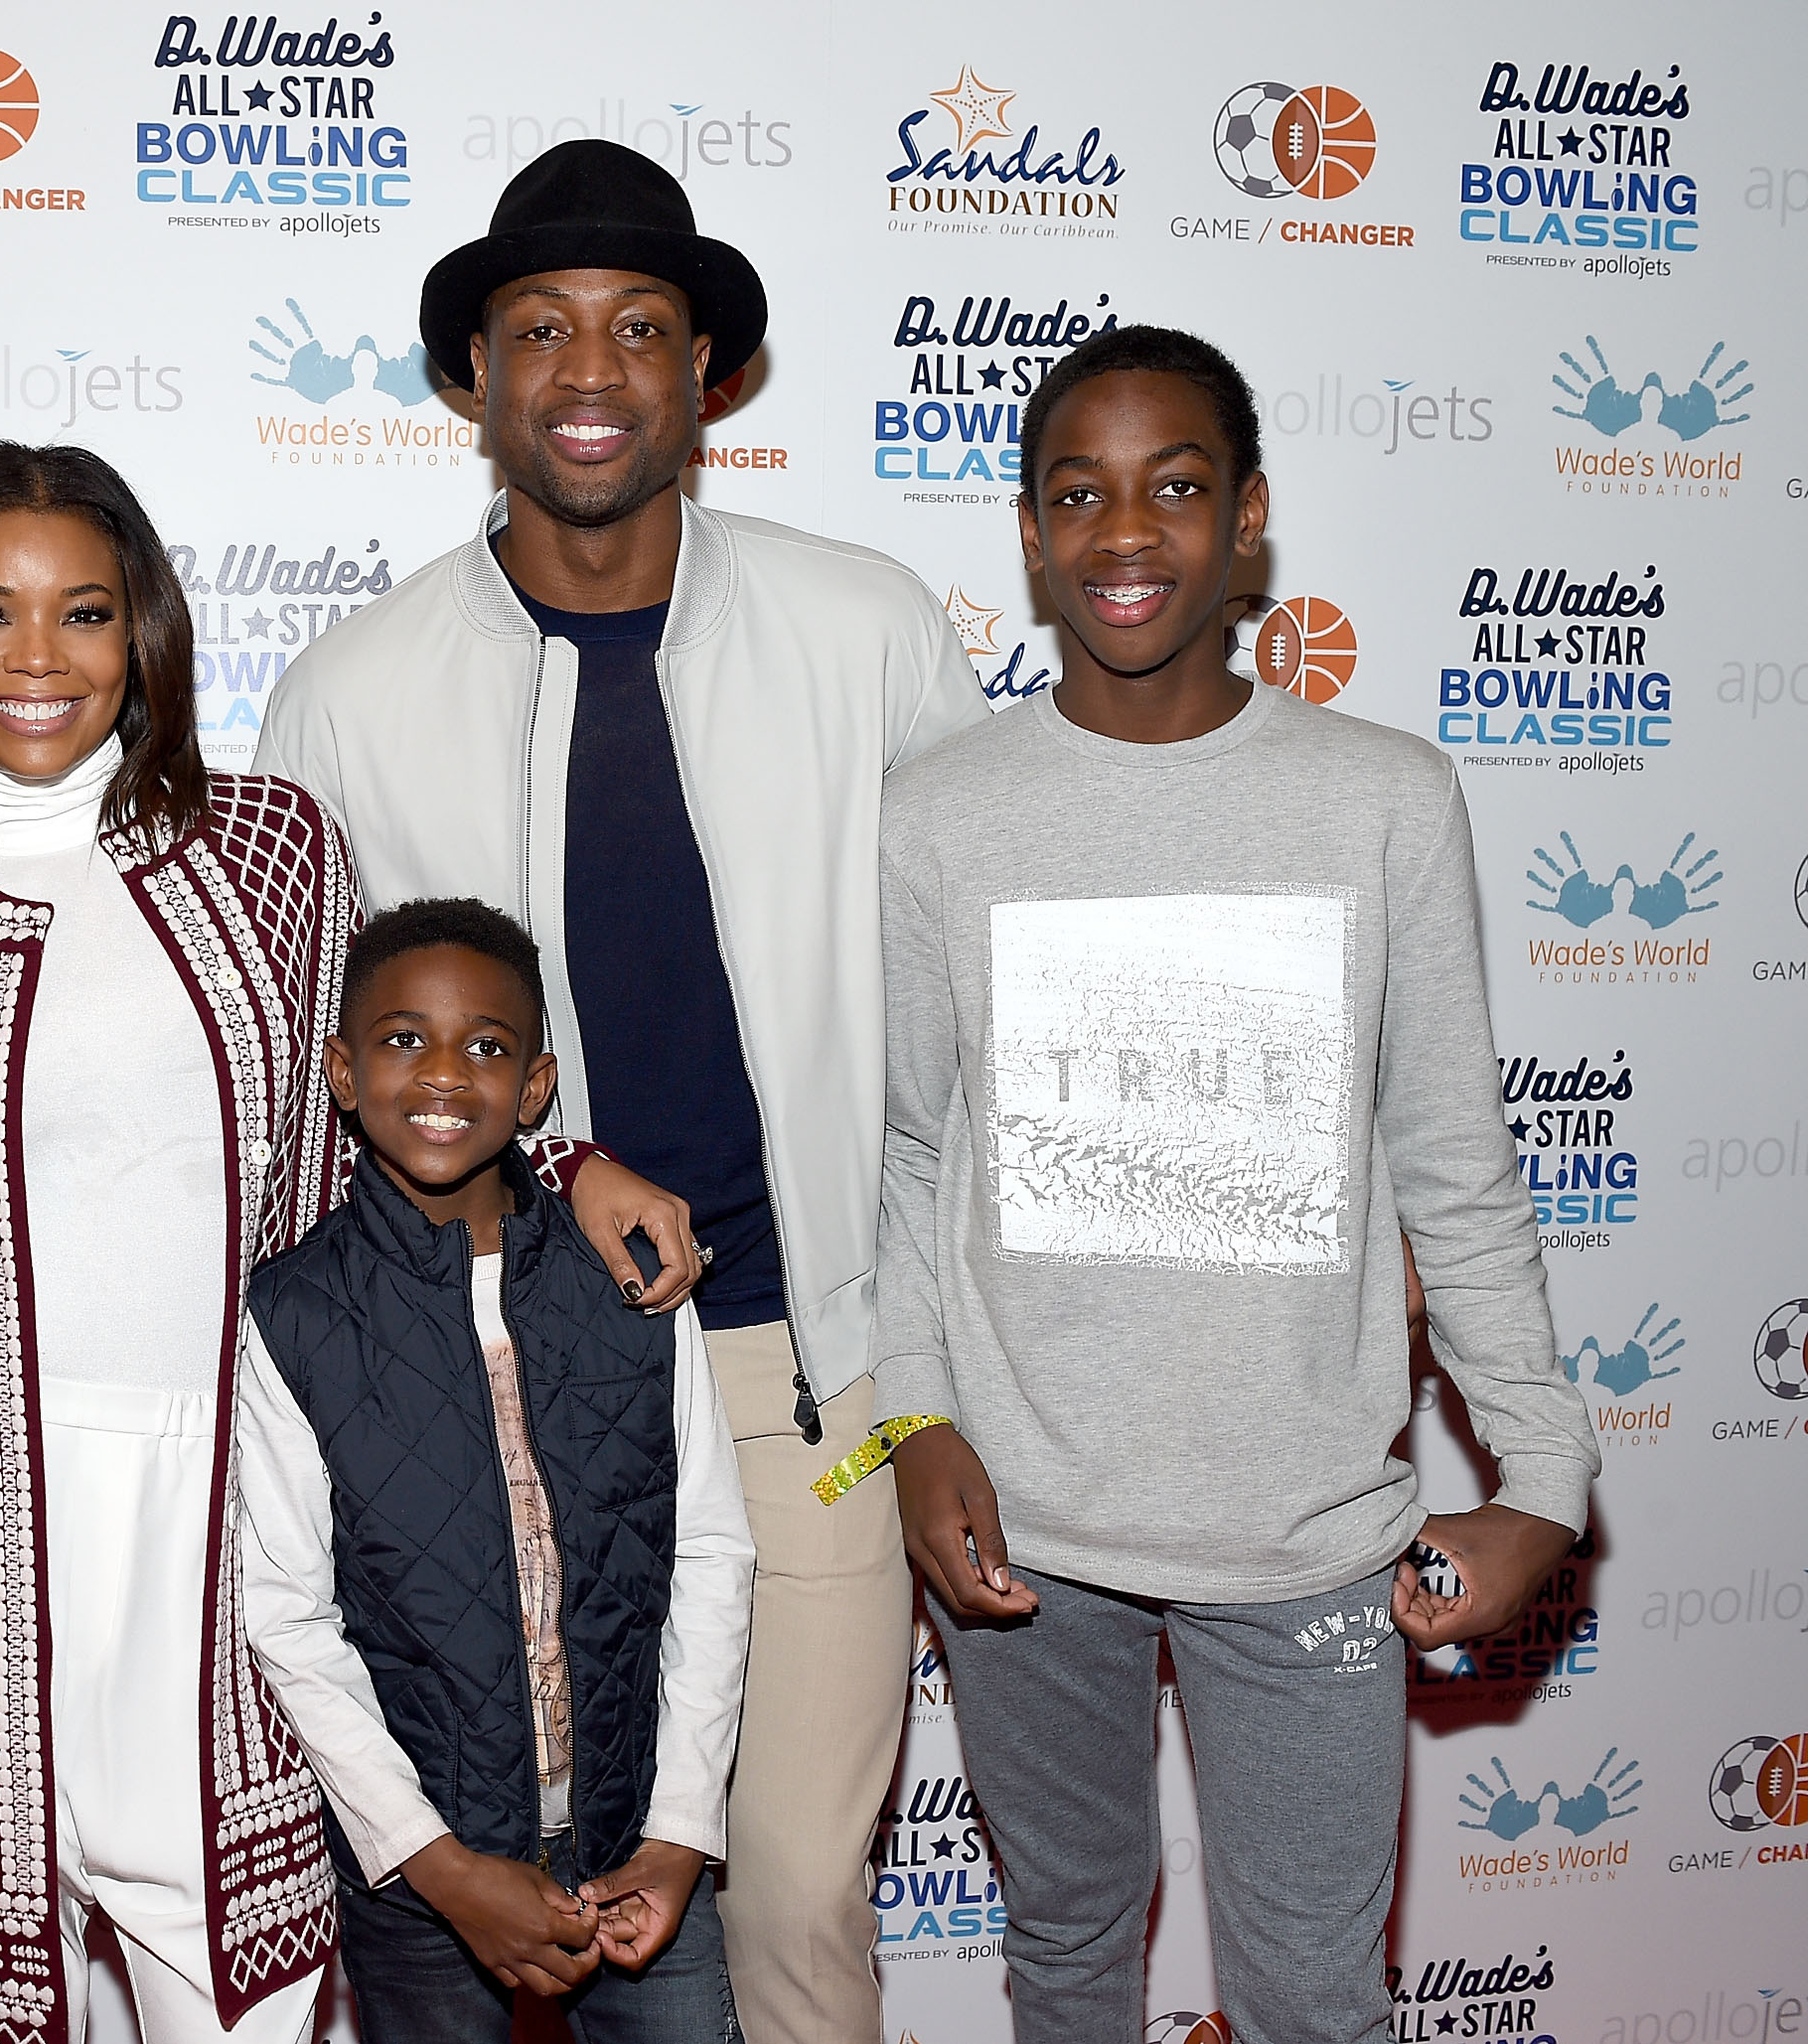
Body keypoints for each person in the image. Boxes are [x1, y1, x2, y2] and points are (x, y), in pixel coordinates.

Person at [0, 444, 698, 2044]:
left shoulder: (274, 854)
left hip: (238, 1542)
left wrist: (571, 1157)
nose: (36, 658)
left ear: (148, 638)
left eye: (84, 612)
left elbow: (415, 1079)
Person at [252, 137, 986, 2044]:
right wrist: (560, 1156)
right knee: (509, 1904)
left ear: (709, 373)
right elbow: (333, 1065)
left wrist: (938, 1365)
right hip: (494, 1384)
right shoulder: (352, 690)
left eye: (641, 327)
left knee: (798, 1897)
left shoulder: (873, 633)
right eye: (543, 329)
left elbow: (980, 1018)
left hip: (793, 1363)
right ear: (474, 377)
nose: (592, 370)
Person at [873, 326, 1601, 2044]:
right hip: (1026, 1541)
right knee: (1062, 1953)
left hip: (1310, 1538)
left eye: (1178, 485)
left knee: (1310, 1997)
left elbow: (1455, 1165)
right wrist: (918, 1420)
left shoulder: (1387, 799)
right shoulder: (936, 812)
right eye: (1082, 492)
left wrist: (1545, 1473)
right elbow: (912, 1150)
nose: (1129, 531)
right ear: (1034, 536)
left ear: (1250, 518)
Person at [237, 898, 754, 2044]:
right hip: (426, 1875)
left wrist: (679, 1829)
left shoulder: (629, 1276)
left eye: (485, 1046)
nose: (442, 1074)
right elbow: (287, 1614)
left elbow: (710, 1550)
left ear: (535, 1089)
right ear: (340, 1069)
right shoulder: (291, 1315)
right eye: (401, 1038)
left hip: (635, 1842)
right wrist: (439, 1865)